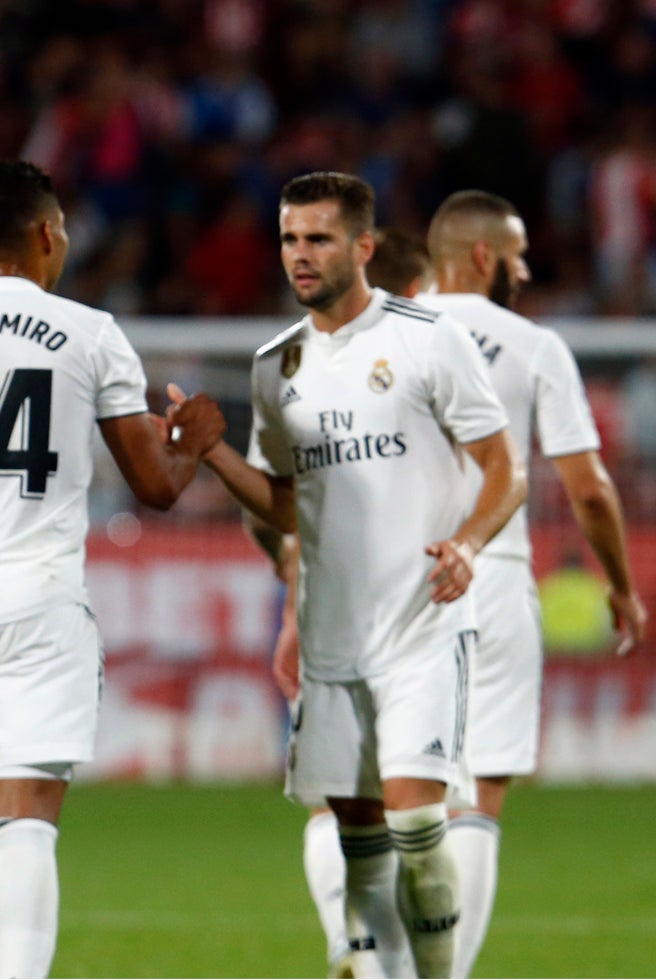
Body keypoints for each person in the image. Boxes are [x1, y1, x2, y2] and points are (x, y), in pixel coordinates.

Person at [0, 160, 226, 979]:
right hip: (38, 605)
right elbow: (155, 486)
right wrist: (193, 443)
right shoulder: (90, 333)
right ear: (46, 233)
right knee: (27, 820)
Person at [190, 171, 526, 979]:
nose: (300, 255)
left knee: (417, 829)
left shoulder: (428, 339)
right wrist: (214, 454)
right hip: (333, 641)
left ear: (365, 247)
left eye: (319, 238)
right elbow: (285, 505)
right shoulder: (277, 366)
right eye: (289, 239)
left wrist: (468, 544)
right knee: (360, 845)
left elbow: (505, 470)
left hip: (421, 628)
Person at [422, 189, 647, 978]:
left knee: (395, 795)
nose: (523, 272)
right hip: (489, 572)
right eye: (516, 257)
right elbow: (588, 489)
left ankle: (366, 955)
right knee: (478, 796)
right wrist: (621, 585)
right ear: (483, 256)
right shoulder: (533, 345)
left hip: (390, 582)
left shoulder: (378, 331)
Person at [254, 226, 435, 975]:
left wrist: (293, 608)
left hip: (333, 604)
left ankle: (351, 941)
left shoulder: (305, 373)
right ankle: (396, 957)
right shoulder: (432, 370)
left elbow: (288, 508)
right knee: (417, 806)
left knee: (338, 799)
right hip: (419, 615)